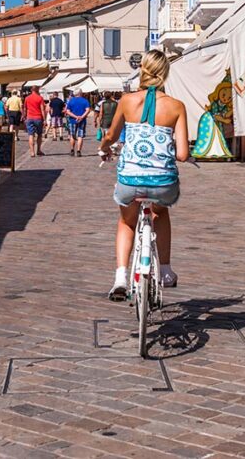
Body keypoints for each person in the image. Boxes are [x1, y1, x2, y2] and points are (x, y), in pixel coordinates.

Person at [100, 50, 189, 300]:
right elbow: (182, 153)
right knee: (161, 213)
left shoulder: (127, 101)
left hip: (130, 179)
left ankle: (120, 278)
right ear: (165, 73)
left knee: (126, 221)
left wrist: (104, 148)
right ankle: (165, 270)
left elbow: (111, 136)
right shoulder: (176, 106)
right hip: (163, 181)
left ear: (143, 70)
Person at [23, 85, 48, 158]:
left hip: (29, 118)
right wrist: (45, 119)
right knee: (39, 134)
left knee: (31, 135)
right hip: (38, 118)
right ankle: (38, 150)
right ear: (37, 90)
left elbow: (25, 108)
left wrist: (24, 117)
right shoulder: (40, 98)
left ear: (31, 90)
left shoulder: (27, 98)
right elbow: (42, 109)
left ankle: (32, 152)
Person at [65, 89, 91, 156]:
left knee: (72, 135)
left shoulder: (71, 101)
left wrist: (75, 116)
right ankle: (79, 151)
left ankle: (72, 149)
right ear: (80, 93)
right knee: (80, 136)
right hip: (82, 120)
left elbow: (67, 111)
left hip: (72, 120)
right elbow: (88, 110)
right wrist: (81, 117)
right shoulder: (85, 101)